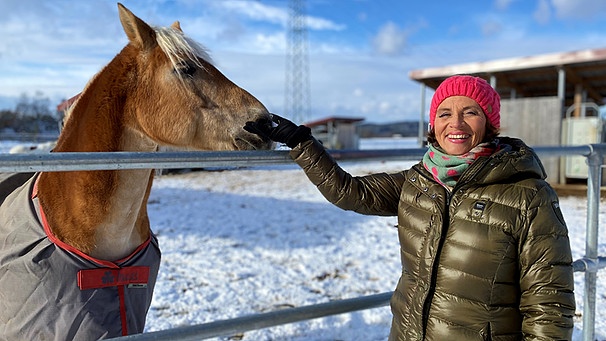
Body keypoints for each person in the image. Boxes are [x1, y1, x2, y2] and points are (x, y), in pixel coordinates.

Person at [245, 74, 575, 340]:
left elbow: (549, 304)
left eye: (470, 112)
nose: (455, 124)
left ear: (490, 123)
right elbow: (351, 192)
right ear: (433, 125)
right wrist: (302, 143)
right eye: (445, 113)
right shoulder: (419, 181)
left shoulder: (529, 196)